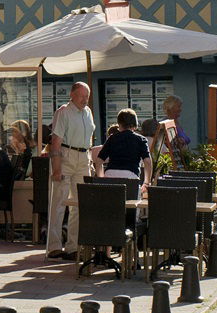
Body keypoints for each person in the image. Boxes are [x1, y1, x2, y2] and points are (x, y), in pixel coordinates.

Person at [47, 82, 96, 260]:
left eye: (87, 96)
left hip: (83, 157)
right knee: (59, 202)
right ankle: (53, 246)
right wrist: (57, 167)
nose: (85, 100)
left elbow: (89, 137)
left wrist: (89, 160)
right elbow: (56, 141)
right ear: (72, 95)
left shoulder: (88, 112)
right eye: (82, 96)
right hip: (66, 155)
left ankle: (73, 246)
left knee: (79, 203)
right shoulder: (63, 112)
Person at [97, 109, 152, 184]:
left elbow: (99, 160)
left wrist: (102, 179)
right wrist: (146, 182)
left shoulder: (112, 138)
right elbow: (147, 162)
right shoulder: (141, 140)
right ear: (135, 124)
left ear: (119, 124)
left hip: (110, 174)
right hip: (131, 175)